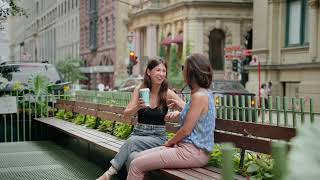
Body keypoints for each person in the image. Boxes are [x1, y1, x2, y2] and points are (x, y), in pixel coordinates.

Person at [126, 53, 216, 180]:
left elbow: (186, 130)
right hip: (187, 149)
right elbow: (198, 118)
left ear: (192, 71)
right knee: (136, 158)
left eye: (184, 68)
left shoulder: (199, 96)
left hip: (193, 152)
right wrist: (181, 111)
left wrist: (169, 143)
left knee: (136, 164)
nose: (183, 71)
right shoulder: (203, 93)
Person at [97, 57, 185, 180]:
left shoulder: (167, 93)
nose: (161, 74)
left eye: (164, 71)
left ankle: (109, 174)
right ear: (149, 72)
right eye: (157, 70)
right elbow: (126, 114)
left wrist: (177, 111)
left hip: (157, 138)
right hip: (139, 133)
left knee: (132, 142)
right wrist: (137, 107)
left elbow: (188, 109)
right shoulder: (140, 89)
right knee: (132, 157)